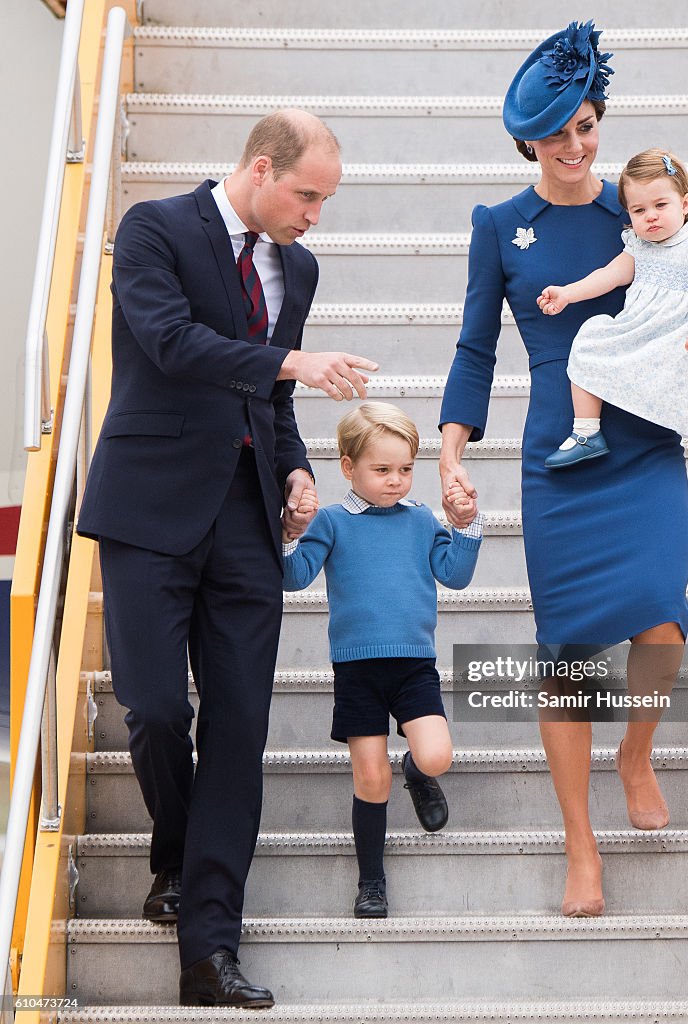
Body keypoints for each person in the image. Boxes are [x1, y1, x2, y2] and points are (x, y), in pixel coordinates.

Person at [77, 109, 378, 1007]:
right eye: (308, 195)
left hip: (246, 528)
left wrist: (294, 470)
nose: (316, 216)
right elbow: (170, 346)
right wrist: (292, 363)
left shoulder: (301, 266)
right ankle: (172, 852)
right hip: (148, 509)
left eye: (326, 200)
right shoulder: (154, 228)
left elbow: (270, 403)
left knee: (239, 730)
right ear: (260, 168)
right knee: (159, 709)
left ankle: (210, 951)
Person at [439, 21, 688, 919]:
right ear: (526, 141)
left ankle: (635, 751)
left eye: (587, 125)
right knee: (568, 658)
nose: (577, 147)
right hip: (559, 452)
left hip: (646, 437)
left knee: (662, 621)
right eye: (557, 134)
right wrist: (451, 453)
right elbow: (474, 348)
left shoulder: (637, 211)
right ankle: (580, 848)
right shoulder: (501, 228)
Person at [283, 402, 482, 918]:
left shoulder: (420, 521)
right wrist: (289, 533)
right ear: (348, 467)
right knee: (370, 779)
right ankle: (371, 880)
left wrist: (466, 525)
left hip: (414, 664)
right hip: (357, 670)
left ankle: (417, 772)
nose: (396, 481)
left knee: (437, 754)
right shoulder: (331, 522)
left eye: (406, 470)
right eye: (382, 470)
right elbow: (295, 575)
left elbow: (454, 575)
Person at [539, 147, 688, 468]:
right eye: (639, 210)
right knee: (590, 339)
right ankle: (587, 433)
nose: (651, 216)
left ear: (685, 203)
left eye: (661, 205)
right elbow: (609, 275)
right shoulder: (639, 246)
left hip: (683, 338)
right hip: (643, 331)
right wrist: (568, 293)